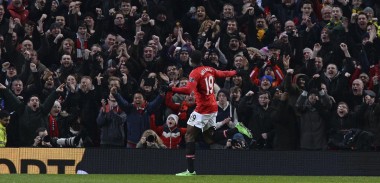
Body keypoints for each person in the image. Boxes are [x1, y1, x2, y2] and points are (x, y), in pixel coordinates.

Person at [167, 50, 252, 176]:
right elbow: (223, 73)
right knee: (209, 138)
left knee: (189, 136)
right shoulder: (209, 69)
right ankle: (236, 129)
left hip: (203, 108)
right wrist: (236, 71)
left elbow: (188, 89)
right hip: (213, 106)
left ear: (191, 60)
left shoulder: (194, 73)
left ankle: (190, 171)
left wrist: (171, 88)